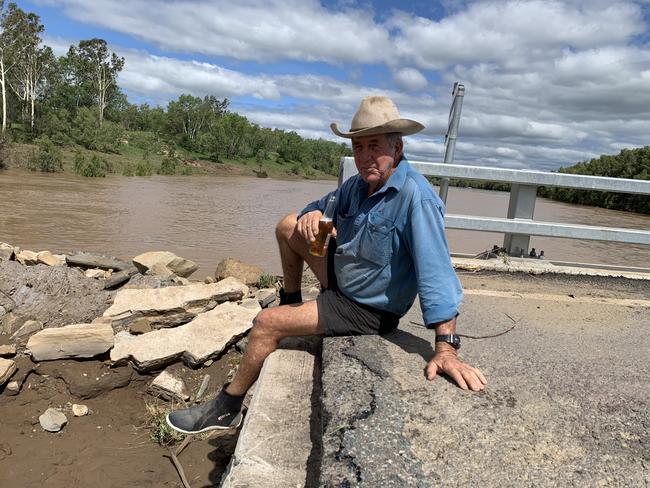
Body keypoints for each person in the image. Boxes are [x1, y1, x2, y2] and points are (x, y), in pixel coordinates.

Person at [167, 95, 487, 435]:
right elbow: (317, 207)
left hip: (366, 308)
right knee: (289, 224)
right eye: (358, 147)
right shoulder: (358, 185)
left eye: (373, 146)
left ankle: (225, 408)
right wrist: (315, 214)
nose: (364, 157)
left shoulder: (415, 198)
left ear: (397, 148)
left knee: (265, 323)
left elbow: (436, 274)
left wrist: (445, 347)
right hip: (343, 277)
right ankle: (291, 302)